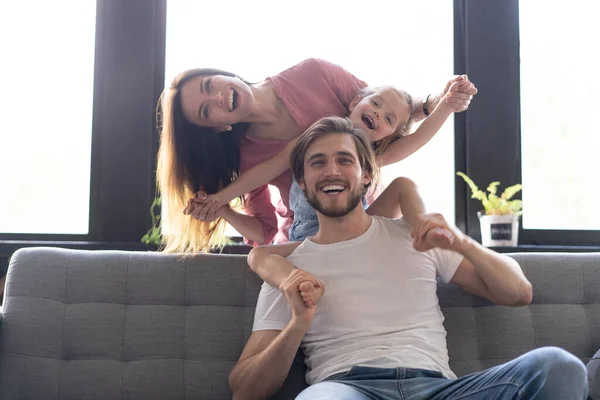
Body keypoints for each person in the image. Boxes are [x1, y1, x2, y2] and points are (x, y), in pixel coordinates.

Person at [228, 116, 588, 400]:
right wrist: (297, 323)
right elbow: (244, 389)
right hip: (347, 389)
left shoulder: (411, 237)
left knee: (558, 366)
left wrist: (462, 243)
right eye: (317, 163)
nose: (332, 171)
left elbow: (518, 293)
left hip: (439, 389)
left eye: (344, 160)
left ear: (366, 175)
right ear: (303, 183)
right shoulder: (288, 273)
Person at [156, 58, 476, 253]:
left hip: (362, 227)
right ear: (216, 128)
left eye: (211, 84)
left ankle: (427, 235)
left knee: (404, 191)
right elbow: (264, 215)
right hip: (308, 237)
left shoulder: (315, 75)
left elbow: (395, 113)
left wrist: (442, 102)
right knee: (264, 259)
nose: (217, 97)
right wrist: (220, 205)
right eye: (206, 109)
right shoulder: (272, 151)